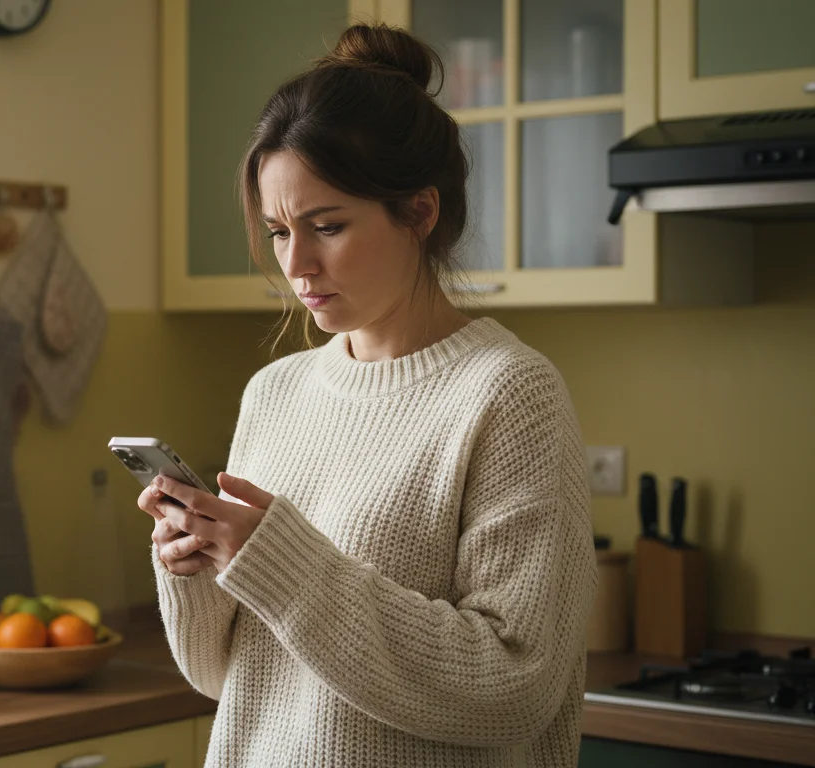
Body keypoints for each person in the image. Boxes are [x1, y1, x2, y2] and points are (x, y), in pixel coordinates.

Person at [138, 23, 597, 768]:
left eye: (327, 226)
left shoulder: (509, 395)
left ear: (420, 211)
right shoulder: (274, 392)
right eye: (280, 232)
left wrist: (279, 561)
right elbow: (234, 678)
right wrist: (195, 570)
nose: (298, 264)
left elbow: (514, 683)